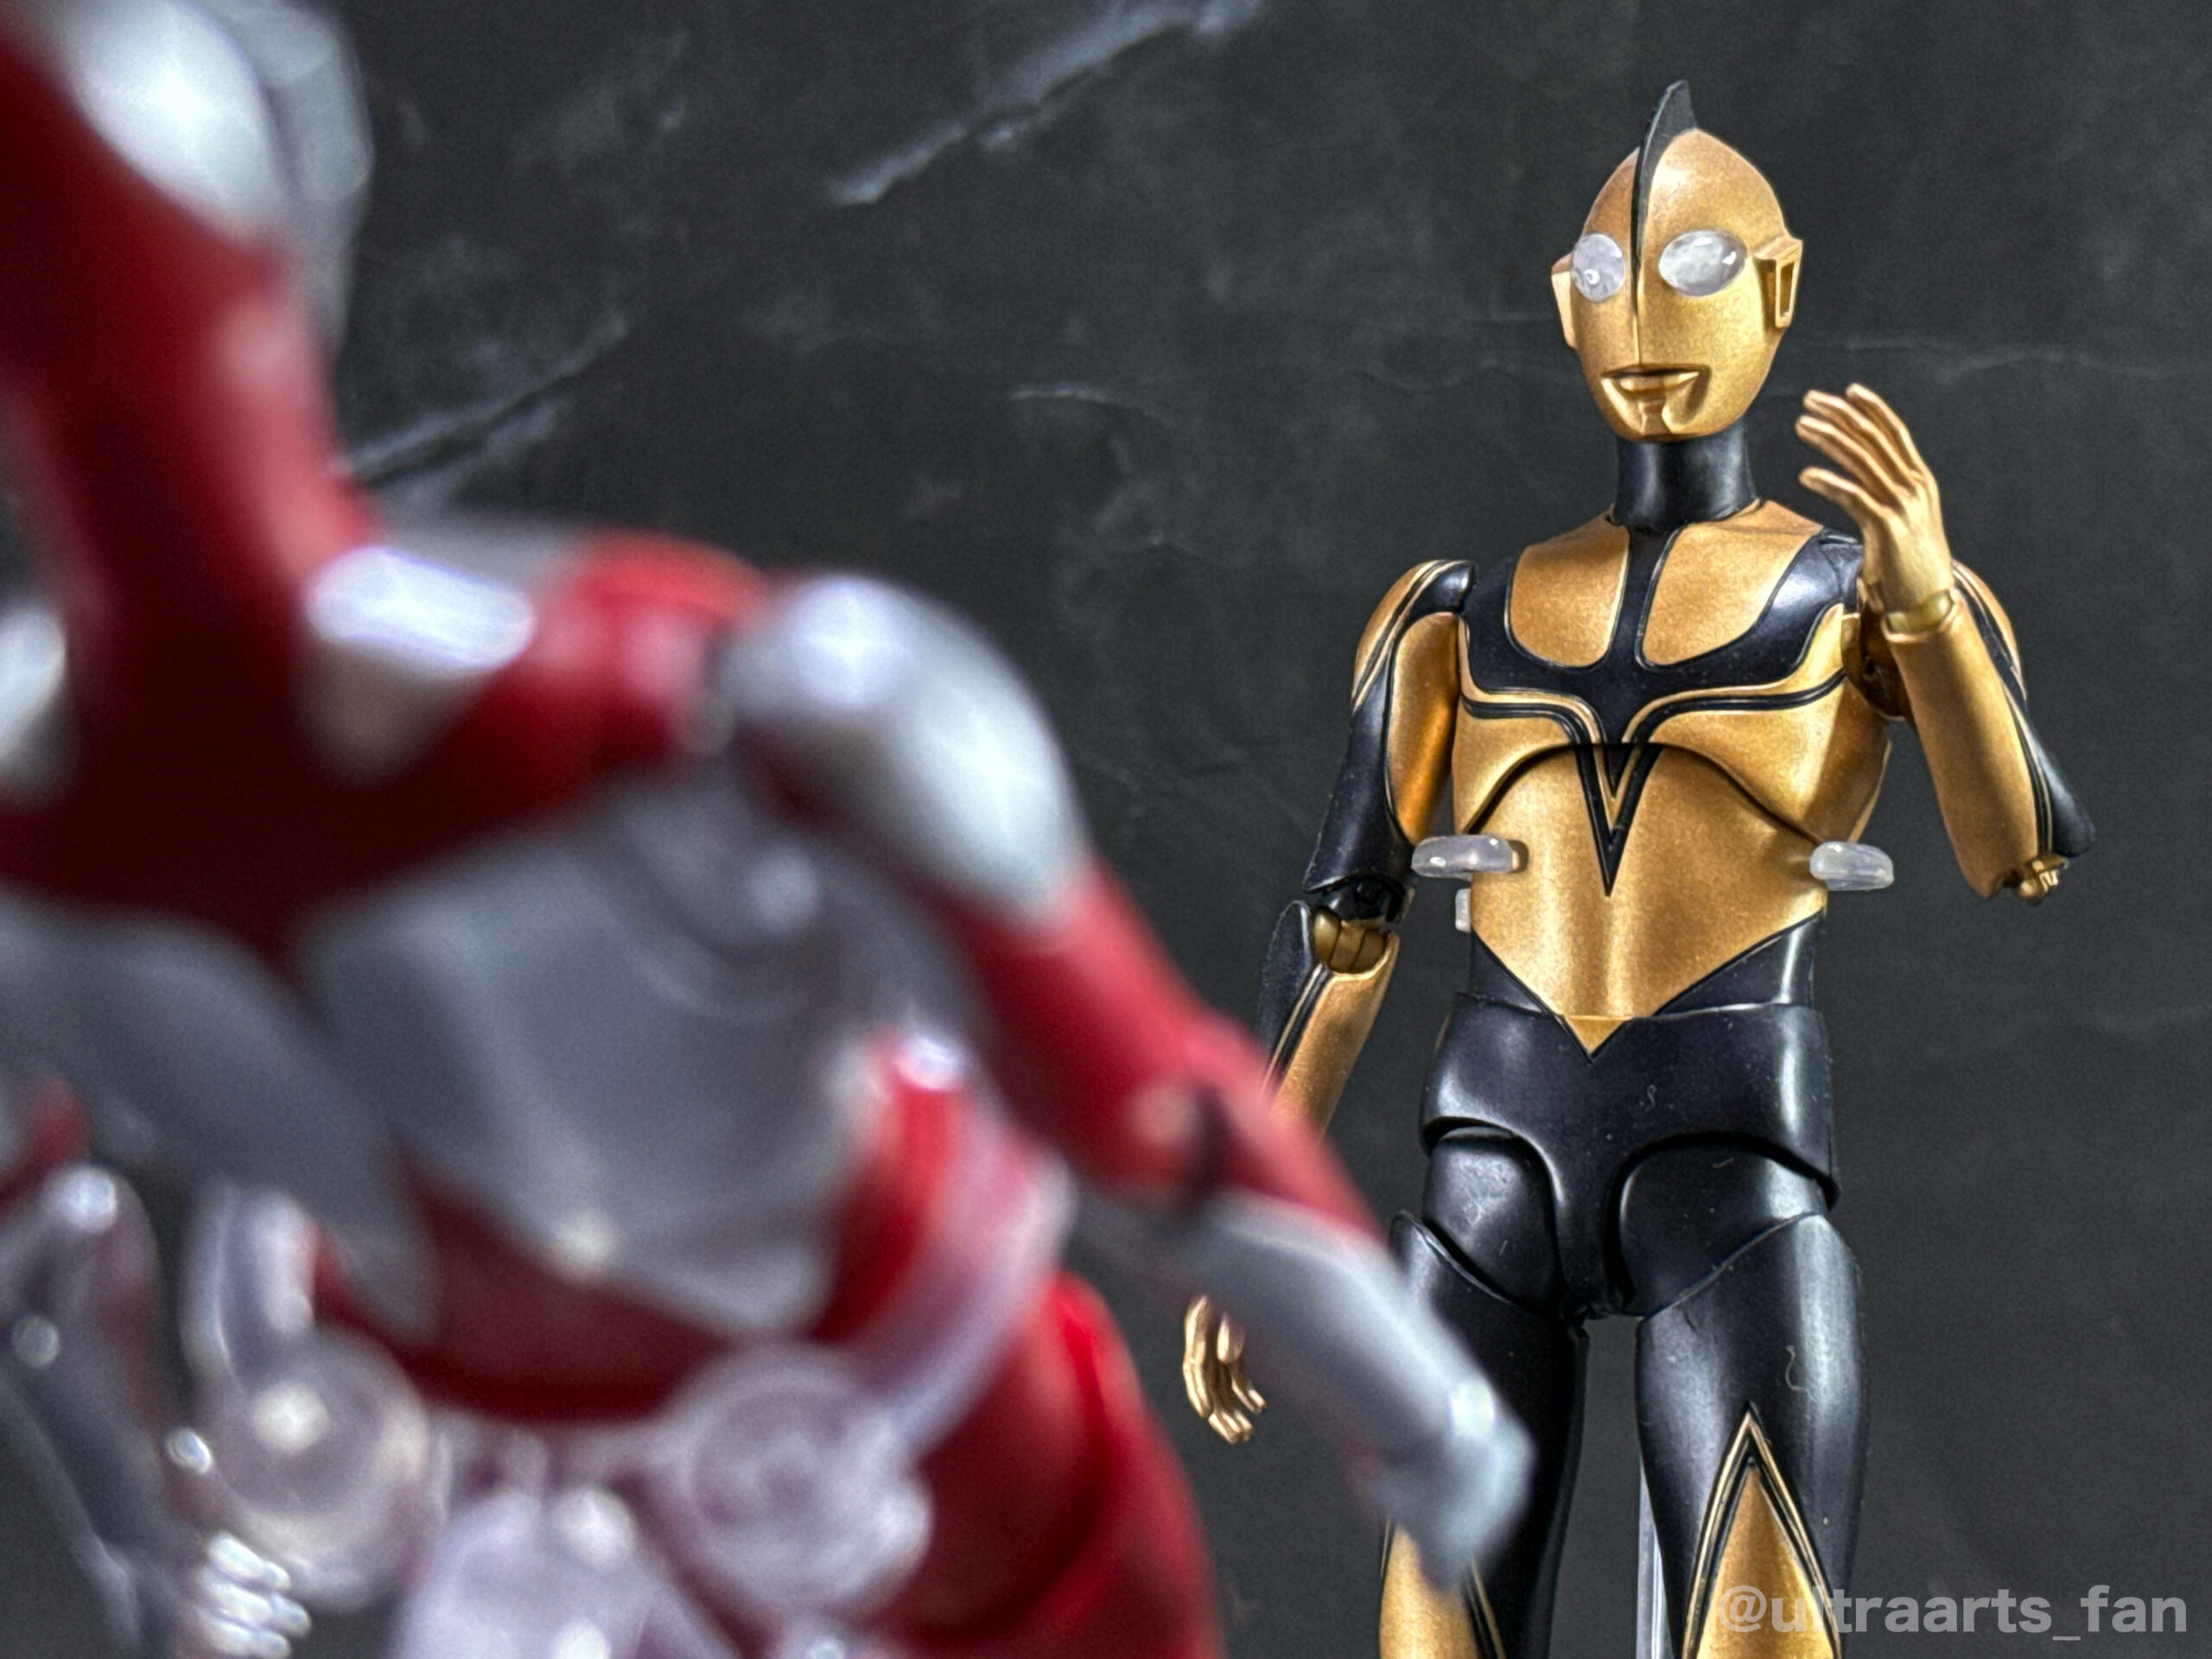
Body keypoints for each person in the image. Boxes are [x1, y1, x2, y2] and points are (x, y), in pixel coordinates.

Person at [0, 3, 1527, 1655]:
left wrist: (1421, 1415)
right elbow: (1152, 1127)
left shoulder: (741, 727)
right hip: (507, 1474)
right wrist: (1425, 1423)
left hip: (849, 1429)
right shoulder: (747, 722)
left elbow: (1151, 1127)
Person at [1182, 82, 2089, 1659]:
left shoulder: (1854, 601)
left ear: (1778, 287)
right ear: (1561, 301)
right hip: (1488, 1179)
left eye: (1697, 268)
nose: (1647, 317)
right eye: (1608, 277)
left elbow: (2017, 852)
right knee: (1431, 1636)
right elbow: (1345, 930)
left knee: (1761, 1632)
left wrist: (1928, 607)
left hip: (1730, 1178)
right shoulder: (1455, 615)